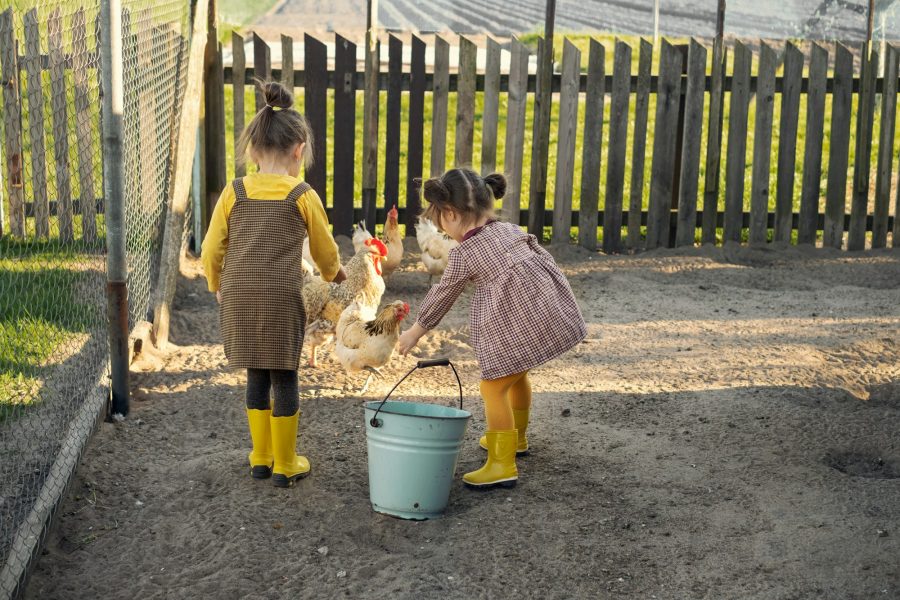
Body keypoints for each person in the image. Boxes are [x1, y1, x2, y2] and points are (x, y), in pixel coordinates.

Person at [398, 168, 587, 489]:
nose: (442, 228)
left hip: (517, 323)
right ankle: (517, 438)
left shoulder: (464, 253)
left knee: (492, 388)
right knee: (518, 374)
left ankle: (502, 464)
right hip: (541, 314)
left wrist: (414, 332)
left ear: (451, 214)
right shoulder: (510, 230)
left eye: (440, 221)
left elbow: (442, 294)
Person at [201, 81, 346, 489]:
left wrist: (217, 283)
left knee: (255, 373)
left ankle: (259, 456)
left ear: (252, 150)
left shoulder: (235, 191)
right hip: (282, 296)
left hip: (239, 293)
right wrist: (336, 274)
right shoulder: (302, 193)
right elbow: (324, 249)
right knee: (285, 376)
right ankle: (285, 462)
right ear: (299, 149)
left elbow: (213, 247)